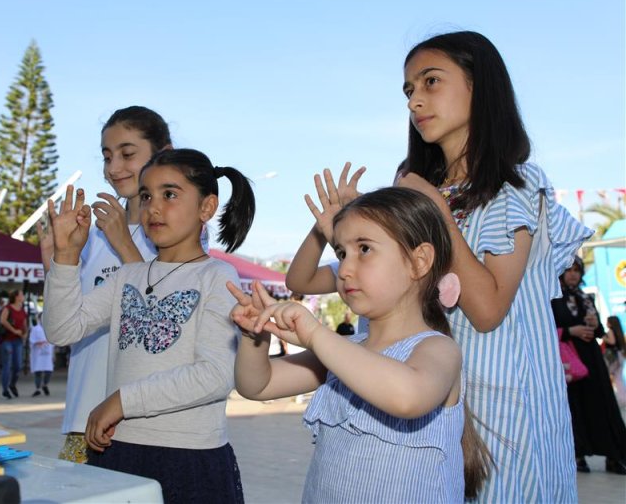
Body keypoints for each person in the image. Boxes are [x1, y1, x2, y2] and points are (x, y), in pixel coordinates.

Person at [286, 31, 592, 502]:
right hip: (417, 400)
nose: (416, 101)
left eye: (431, 82)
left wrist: (435, 210)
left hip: (502, 406)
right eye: (409, 90)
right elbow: (311, 279)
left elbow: (488, 309)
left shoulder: (515, 184)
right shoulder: (415, 188)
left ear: (479, 85)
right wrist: (342, 230)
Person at [232, 188, 490, 502]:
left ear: (419, 261)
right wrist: (254, 336)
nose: (345, 269)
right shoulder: (343, 350)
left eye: (364, 249)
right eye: (341, 253)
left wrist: (316, 335)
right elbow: (257, 385)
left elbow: (407, 397)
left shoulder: (437, 350)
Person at [42, 148, 255, 502]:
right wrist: (65, 258)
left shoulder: (217, 276)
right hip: (117, 452)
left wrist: (123, 401)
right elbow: (62, 330)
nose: (153, 207)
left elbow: (216, 375)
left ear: (206, 207)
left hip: (187, 459)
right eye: (146, 196)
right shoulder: (128, 276)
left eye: (169, 194)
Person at [36, 106, 178, 463]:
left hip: (140, 421)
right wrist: (57, 262)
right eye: (107, 156)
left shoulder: (177, 230)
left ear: (164, 153)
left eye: (128, 154)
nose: (114, 168)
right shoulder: (93, 234)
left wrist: (124, 243)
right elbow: (67, 324)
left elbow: (165, 318)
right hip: (82, 414)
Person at [551, 258, 626, 474]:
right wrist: (570, 331)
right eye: (569, 270)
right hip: (570, 361)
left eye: (577, 270)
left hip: (592, 359)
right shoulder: (554, 298)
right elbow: (549, 328)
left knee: (603, 405)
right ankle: (578, 455)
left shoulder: (584, 297)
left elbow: (601, 332)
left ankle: (614, 455)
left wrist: (597, 325)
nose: (573, 274)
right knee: (576, 406)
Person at [0, 289, 28, 399]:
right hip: (7, 340)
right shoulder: (8, 308)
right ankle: (5, 389)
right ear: (16, 297)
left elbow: (25, 324)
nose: (23, 296)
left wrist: (25, 334)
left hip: (18, 340)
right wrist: (14, 330)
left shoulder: (22, 310)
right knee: (7, 365)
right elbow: (3, 320)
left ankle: (12, 384)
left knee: (18, 366)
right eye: (21, 294)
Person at [29, 313, 54, 397]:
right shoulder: (35, 329)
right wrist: (37, 343)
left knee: (48, 371)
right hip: (38, 353)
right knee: (38, 371)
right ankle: (38, 388)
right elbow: (32, 340)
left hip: (47, 353)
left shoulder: (50, 329)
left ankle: (45, 384)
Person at [603, 315, 626, 407]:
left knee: (616, 378)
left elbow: (612, 342)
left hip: (613, 358)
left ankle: (622, 399)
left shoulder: (610, 331)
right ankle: (623, 398)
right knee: (619, 379)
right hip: (620, 356)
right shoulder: (619, 332)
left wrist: (603, 337)